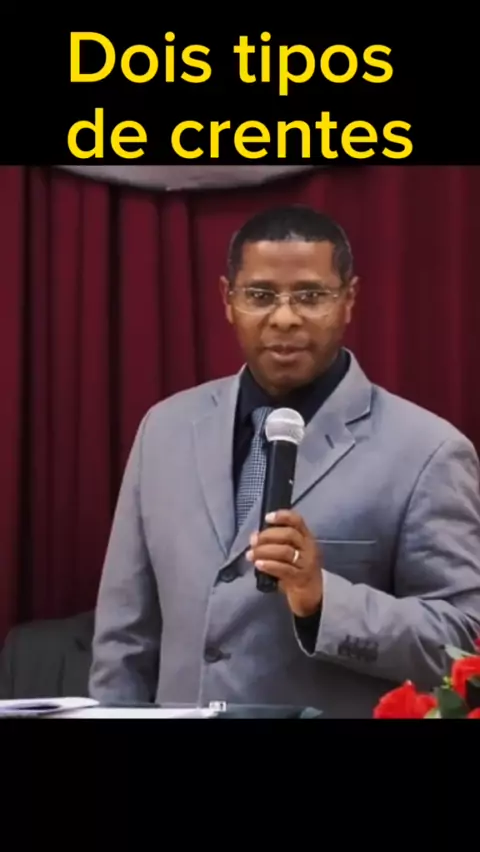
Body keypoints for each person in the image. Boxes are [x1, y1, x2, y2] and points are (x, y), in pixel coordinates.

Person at [89, 205, 480, 718]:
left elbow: (464, 641)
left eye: (311, 296)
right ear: (227, 300)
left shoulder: (427, 451)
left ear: (349, 300)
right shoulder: (164, 429)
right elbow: (124, 638)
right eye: (260, 295)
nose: (285, 317)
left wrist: (323, 601)